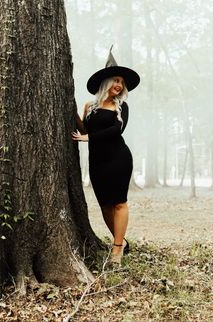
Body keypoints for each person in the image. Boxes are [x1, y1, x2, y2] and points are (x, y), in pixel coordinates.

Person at [72, 47, 140, 264]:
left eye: (122, 82)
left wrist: (89, 137)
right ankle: (121, 241)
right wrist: (73, 113)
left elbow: (116, 131)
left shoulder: (122, 107)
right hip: (97, 161)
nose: (119, 85)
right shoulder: (89, 106)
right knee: (104, 204)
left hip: (118, 159)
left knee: (119, 203)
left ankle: (117, 249)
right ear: (106, 82)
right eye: (116, 80)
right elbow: (83, 131)